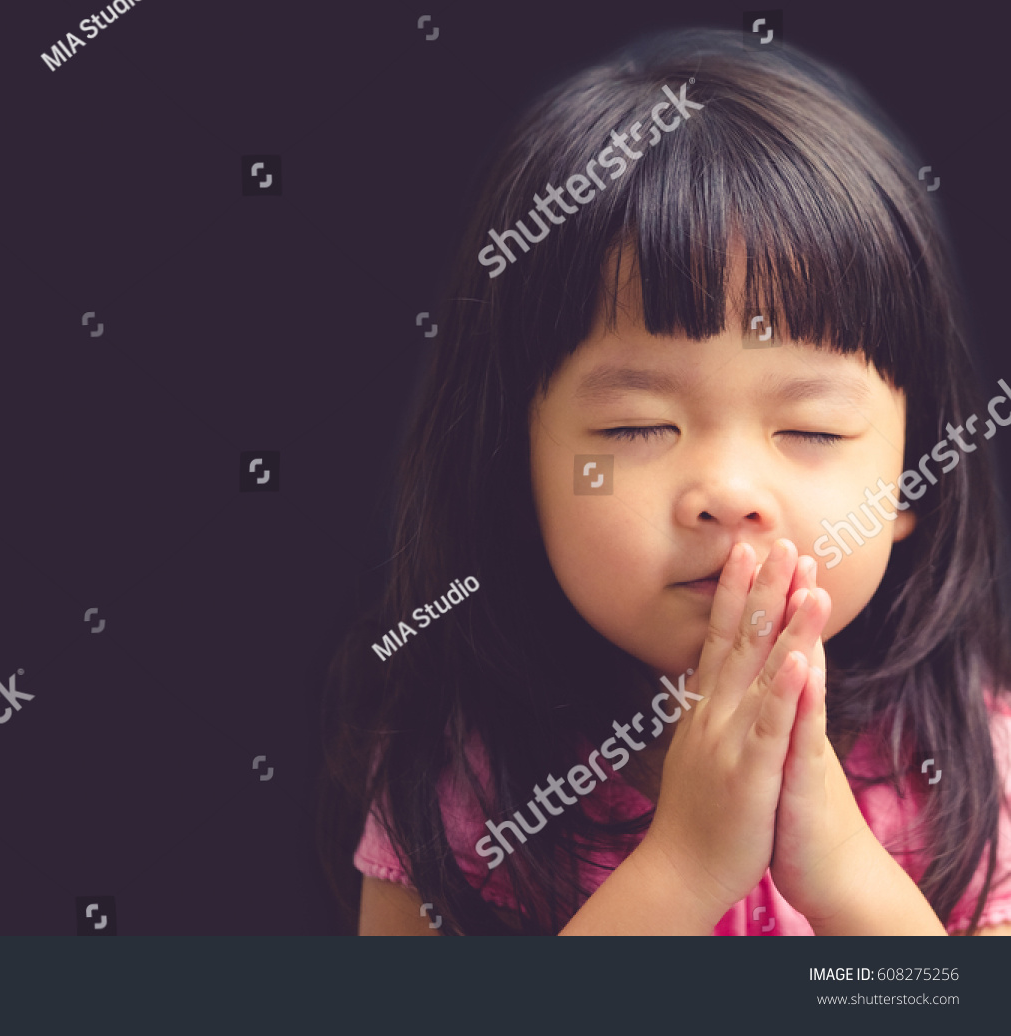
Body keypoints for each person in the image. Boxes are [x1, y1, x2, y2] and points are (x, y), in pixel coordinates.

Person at [319, 26, 1011, 935]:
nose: (728, 490)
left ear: (912, 481)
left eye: (810, 427)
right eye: (636, 426)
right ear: (513, 467)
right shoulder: (459, 782)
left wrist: (844, 875)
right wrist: (683, 871)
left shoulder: (970, 756)